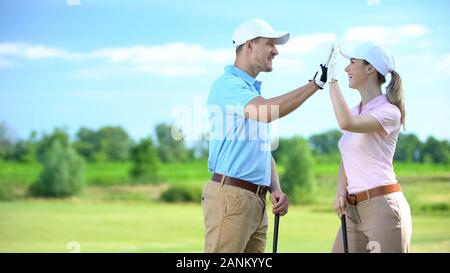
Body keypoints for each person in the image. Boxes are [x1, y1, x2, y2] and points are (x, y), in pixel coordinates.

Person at [202, 18, 332, 253]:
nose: (276, 51)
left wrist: (275, 189)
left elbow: (262, 152)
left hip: (256, 200)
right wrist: (314, 85)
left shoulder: (251, 92)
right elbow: (266, 112)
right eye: (270, 43)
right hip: (232, 196)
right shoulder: (228, 86)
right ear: (250, 45)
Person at [327, 42, 412, 253]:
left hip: (382, 207)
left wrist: (332, 79)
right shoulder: (355, 110)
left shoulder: (389, 112)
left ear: (370, 68)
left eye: (352, 63)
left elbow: (346, 123)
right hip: (353, 210)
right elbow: (347, 156)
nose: (347, 68)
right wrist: (340, 191)